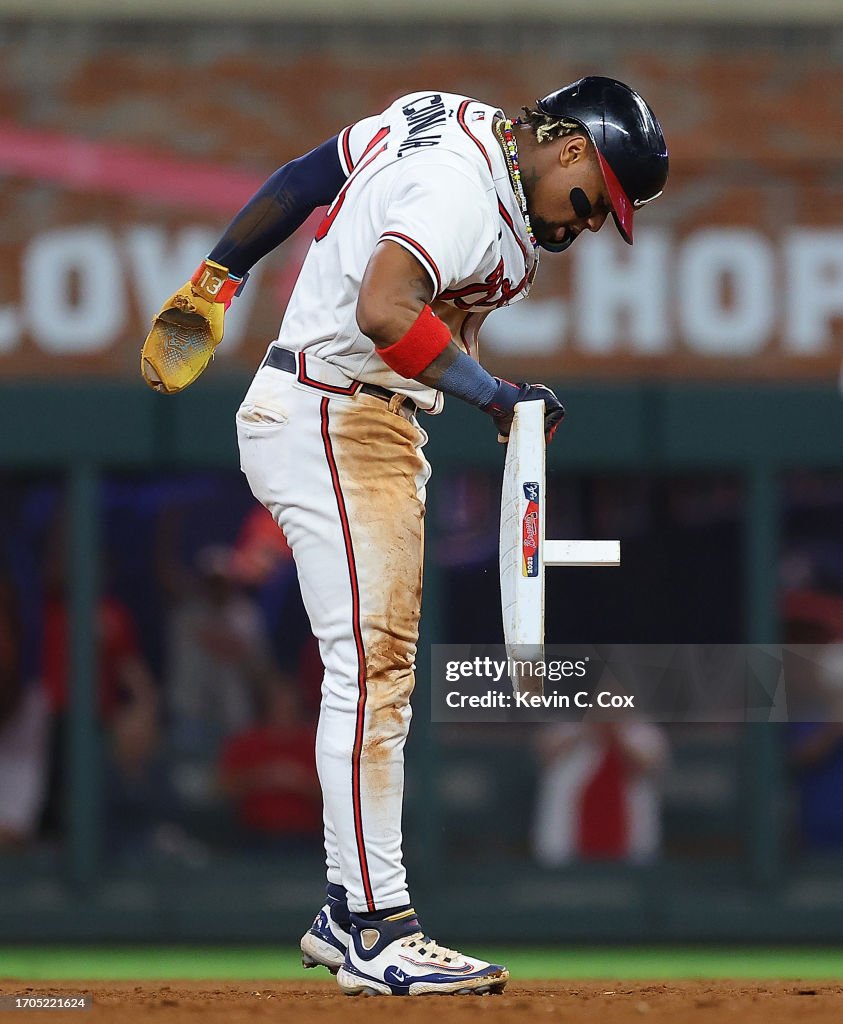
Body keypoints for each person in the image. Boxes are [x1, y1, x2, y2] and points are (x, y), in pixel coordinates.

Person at [142, 76, 668, 996]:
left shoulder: (453, 122)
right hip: (333, 413)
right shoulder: (465, 189)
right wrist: (495, 397)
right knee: (371, 669)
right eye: (597, 201)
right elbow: (386, 310)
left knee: (377, 669)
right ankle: (369, 923)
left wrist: (223, 271)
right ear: (571, 146)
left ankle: (355, 912)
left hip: (362, 417)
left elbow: (314, 171)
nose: (591, 222)